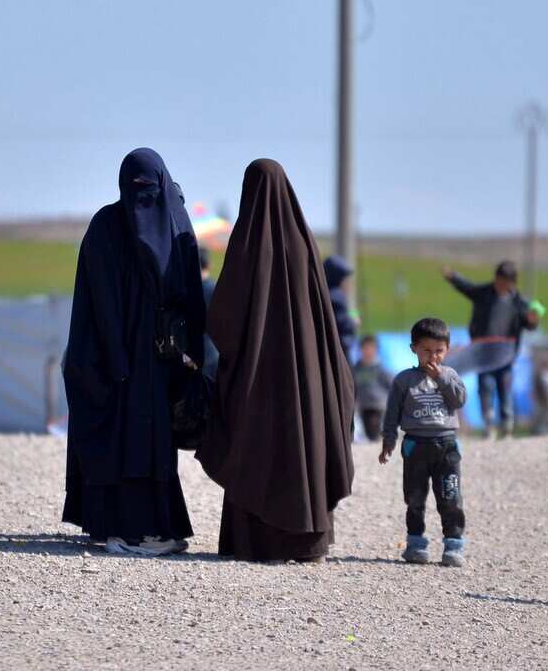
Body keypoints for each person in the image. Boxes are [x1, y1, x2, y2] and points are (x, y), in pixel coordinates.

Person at [198, 158, 355, 563]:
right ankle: (306, 543)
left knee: (256, 443)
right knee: (305, 437)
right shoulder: (303, 242)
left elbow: (223, 317)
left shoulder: (248, 243)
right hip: (306, 373)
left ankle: (256, 543)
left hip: (257, 374)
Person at [61, 148, 204, 557]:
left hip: (156, 361)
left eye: (149, 189)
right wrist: (115, 357)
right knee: (120, 438)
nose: (142, 200)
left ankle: (148, 526)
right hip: (113, 360)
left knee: (149, 444)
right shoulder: (107, 227)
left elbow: (191, 295)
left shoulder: (175, 225)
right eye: (134, 188)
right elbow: (97, 301)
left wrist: (189, 354)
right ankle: (115, 524)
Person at [379, 318, 468, 566]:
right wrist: (389, 440)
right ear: (414, 349)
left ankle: (453, 545)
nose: (433, 356)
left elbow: (459, 400)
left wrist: (441, 378)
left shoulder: (450, 375)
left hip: (446, 446)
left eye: (439, 351)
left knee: (450, 497)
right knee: (415, 498)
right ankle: (416, 543)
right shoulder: (404, 380)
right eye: (426, 350)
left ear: (447, 350)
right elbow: (392, 413)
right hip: (415, 445)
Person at [442, 261, 539, 440]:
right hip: (483, 355)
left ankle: (507, 427)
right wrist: (453, 277)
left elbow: (529, 323)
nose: (500, 285)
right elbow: (467, 287)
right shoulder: (484, 294)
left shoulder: (519, 303)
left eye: (505, 282)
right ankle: (489, 425)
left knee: (504, 388)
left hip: (505, 357)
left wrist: (533, 321)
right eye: (499, 280)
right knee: (485, 387)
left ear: (512, 283)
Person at [353, 335, 393, 442]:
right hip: (363, 405)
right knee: (367, 432)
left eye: (371, 348)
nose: (368, 351)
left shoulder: (380, 368)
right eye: (365, 348)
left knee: (376, 431)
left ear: (376, 350)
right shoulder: (356, 368)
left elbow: (392, 385)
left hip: (378, 406)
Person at [324, 255, 358, 361]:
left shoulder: (325, 292)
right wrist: (353, 320)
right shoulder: (337, 296)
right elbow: (345, 325)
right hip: (338, 351)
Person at [198, 246, 219, 380]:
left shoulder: (189, 290)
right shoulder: (216, 287)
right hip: (213, 350)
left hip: (193, 351)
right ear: (209, 264)